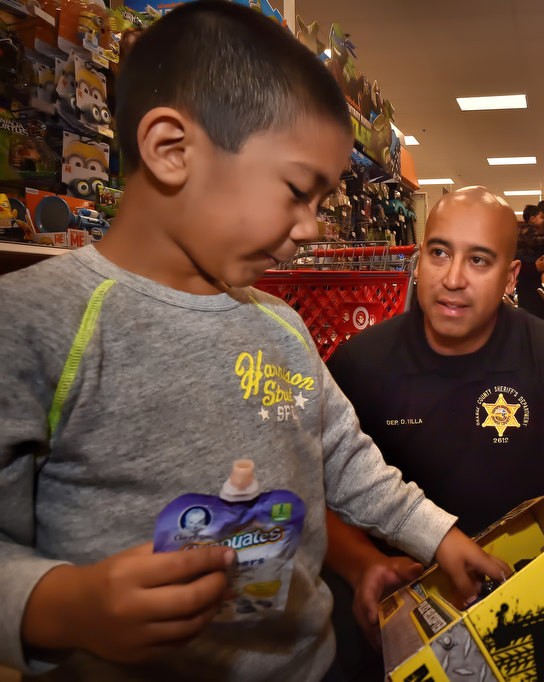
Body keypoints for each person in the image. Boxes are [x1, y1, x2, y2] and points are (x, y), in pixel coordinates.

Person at [0, 4, 507, 680]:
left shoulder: (280, 325)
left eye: (323, 203)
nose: (312, 228)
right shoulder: (37, 323)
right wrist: (62, 606)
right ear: (172, 150)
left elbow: (345, 460)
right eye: (299, 192)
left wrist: (437, 534)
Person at [323, 186, 544, 681]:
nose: (453, 279)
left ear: (511, 276)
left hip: (515, 588)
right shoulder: (360, 364)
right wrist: (361, 566)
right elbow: (313, 491)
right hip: (395, 594)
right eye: (439, 252)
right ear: (419, 259)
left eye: (479, 261)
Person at [516, 204, 544, 302]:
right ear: (532, 219)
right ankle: (543, 287)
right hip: (529, 257)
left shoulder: (520, 230)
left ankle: (509, 293)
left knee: (515, 274)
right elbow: (533, 240)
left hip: (521, 257)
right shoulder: (532, 230)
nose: (543, 219)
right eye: (541, 217)